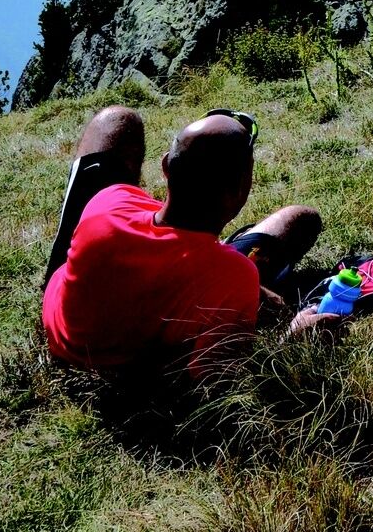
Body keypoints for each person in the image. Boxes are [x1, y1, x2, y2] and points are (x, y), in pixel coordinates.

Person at [41, 105, 337, 379]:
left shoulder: (108, 201)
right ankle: (222, 248)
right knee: (300, 220)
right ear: (240, 191)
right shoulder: (233, 278)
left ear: (165, 166)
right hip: (129, 371)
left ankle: (66, 252)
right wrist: (291, 340)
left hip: (62, 324)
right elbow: (216, 381)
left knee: (117, 120)